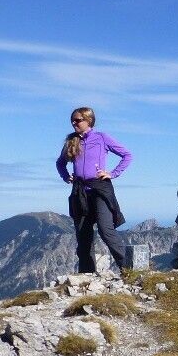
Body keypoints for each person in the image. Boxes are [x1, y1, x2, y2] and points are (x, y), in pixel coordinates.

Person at [55, 107, 132, 273]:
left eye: (77, 120)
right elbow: (60, 163)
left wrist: (112, 173)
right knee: (83, 235)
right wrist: (65, 176)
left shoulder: (102, 138)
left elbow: (127, 155)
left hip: (99, 189)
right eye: (72, 120)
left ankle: (128, 269)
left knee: (106, 230)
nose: (74, 123)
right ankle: (86, 275)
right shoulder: (71, 141)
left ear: (88, 120)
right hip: (80, 191)